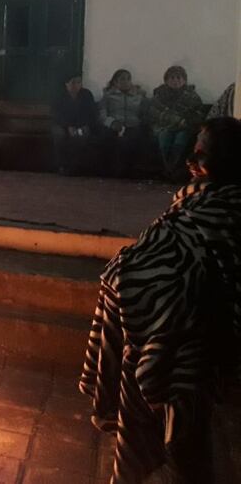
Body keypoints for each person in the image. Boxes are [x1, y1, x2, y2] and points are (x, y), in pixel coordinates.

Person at [80, 117, 241, 483]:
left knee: (180, 409)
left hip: (196, 336)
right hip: (170, 324)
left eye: (200, 151)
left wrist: (137, 280)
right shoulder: (197, 201)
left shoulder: (221, 210)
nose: (191, 159)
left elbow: (203, 268)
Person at [148, 66, 203, 180]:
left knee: (180, 141)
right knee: (164, 139)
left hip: (183, 127)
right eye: (172, 78)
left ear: (184, 80)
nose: (175, 80)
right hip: (164, 127)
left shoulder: (192, 96)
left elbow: (198, 114)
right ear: (166, 80)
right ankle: (169, 170)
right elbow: (155, 112)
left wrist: (185, 122)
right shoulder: (159, 95)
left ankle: (170, 170)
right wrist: (176, 120)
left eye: (179, 77)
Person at [99, 69, 148, 177]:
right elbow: (102, 114)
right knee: (107, 138)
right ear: (115, 82)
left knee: (133, 139)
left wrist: (139, 122)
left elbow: (145, 113)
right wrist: (112, 123)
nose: (125, 82)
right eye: (122, 79)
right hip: (113, 125)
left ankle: (131, 171)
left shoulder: (139, 96)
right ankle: (111, 171)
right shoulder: (108, 96)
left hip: (133, 125)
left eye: (128, 79)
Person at [51, 73, 99, 175]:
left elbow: (92, 113)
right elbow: (56, 114)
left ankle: (75, 167)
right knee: (59, 135)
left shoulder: (86, 95)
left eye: (78, 82)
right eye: (72, 82)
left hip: (82, 125)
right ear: (66, 84)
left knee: (81, 136)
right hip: (62, 125)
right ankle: (61, 165)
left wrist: (84, 126)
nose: (75, 85)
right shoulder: (59, 95)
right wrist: (68, 126)